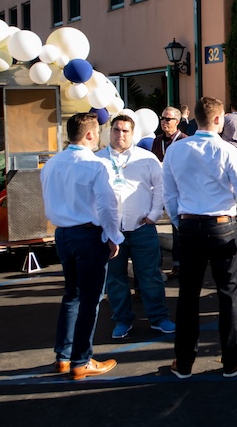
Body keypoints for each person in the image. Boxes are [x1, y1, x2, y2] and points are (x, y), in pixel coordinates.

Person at [162, 96, 237, 379]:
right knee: (228, 292)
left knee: (188, 294)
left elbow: (170, 195)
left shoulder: (176, 150)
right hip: (221, 225)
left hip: (189, 224)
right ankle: (231, 359)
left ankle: (184, 361)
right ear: (218, 119)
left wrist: (181, 221)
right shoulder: (226, 151)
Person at [40, 112, 121, 380]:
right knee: (90, 299)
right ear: (88, 134)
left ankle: (63, 356)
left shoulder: (52, 163)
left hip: (62, 233)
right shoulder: (95, 165)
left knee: (72, 295)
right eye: (97, 132)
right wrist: (113, 236)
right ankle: (81, 360)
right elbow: (108, 205)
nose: (98, 136)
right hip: (88, 234)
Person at [97, 115, 175, 340]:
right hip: (111, 232)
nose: (120, 135)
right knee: (115, 278)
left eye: (125, 131)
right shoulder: (97, 160)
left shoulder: (146, 159)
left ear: (133, 134)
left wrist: (153, 215)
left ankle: (159, 318)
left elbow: (161, 188)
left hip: (141, 228)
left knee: (149, 275)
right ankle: (122, 320)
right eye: (116, 130)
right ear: (109, 131)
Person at [153, 106, 188, 280]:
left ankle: (179, 265)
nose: (164, 122)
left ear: (177, 121)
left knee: (177, 229)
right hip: (159, 189)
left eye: (168, 119)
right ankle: (158, 265)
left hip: (178, 191)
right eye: (162, 118)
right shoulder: (157, 140)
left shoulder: (184, 141)